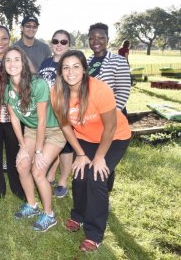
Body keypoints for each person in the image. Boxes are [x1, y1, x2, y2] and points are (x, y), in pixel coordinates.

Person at [51, 50, 131, 252]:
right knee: (79, 175)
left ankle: (94, 234)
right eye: (66, 67)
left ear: (85, 69)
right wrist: (80, 154)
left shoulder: (100, 90)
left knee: (95, 177)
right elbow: (66, 127)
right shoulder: (57, 92)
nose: (71, 72)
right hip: (86, 139)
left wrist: (99, 158)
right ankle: (78, 216)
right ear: (60, 72)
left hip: (114, 138)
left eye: (76, 66)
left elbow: (110, 128)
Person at [0, 46, 65, 232]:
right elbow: (13, 119)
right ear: (4, 65)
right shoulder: (7, 89)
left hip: (52, 131)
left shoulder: (38, 84)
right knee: (21, 164)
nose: (12, 63)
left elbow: (43, 120)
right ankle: (32, 204)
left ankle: (49, 214)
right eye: (8, 60)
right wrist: (22, 146)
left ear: (24, 63)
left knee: (38, 170)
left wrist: (37, 151)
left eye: (17, 59)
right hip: (30, 130)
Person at [87, 23, 131, 193]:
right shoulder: (87, 61)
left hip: (113, 116)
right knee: (97, 152)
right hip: (93, 118)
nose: (96, 41)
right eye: (92, 38)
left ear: (107, 39)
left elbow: (123, 91)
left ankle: (105, 191)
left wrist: (111, 116)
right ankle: (97, 187)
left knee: (107, 156)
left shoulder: (118, 60)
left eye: (100, 37)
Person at [0, 26, 25, 203]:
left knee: (15, 151)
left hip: (13, 116)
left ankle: (18, 187)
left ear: (9, 39)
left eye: (4, 38)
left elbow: (28, 81)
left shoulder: (17, 59)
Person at [38, 30, 73, 198]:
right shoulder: (45, 62)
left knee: (65, 148)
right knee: (51, 144)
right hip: (45, 112)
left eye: (64, 42)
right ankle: (51, 174)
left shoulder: (69, 64)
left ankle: (63, 181)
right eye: (56, 41)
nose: (59, 44)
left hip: (62, 111)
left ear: (69, 45)